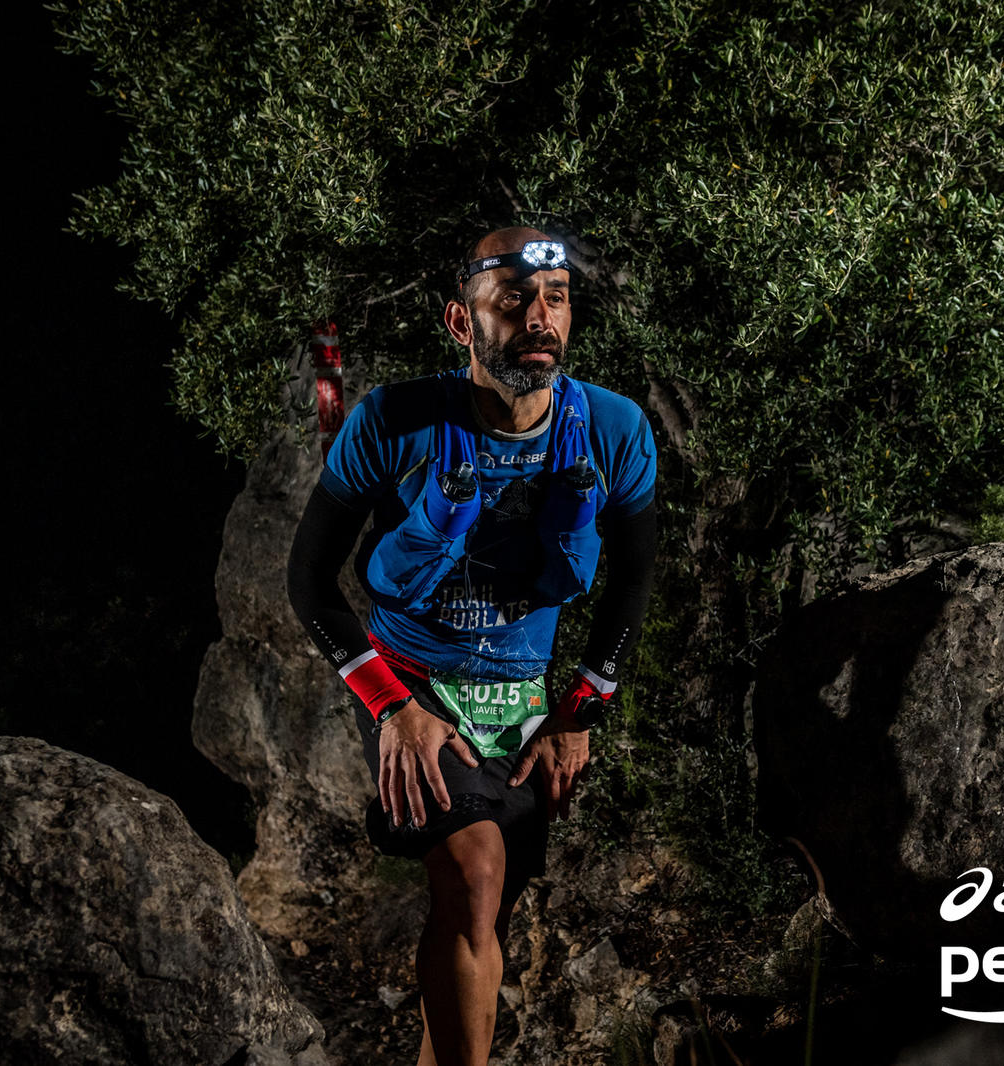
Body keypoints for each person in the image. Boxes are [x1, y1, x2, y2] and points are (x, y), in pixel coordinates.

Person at [287, 226, 657, 1066]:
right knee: (475, 875)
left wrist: (580, 710)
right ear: (463, 321)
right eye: (513, 301)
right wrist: (392, 708)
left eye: (555, 299)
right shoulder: (394, 421)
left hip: (524, 698)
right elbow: (308, 581)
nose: (539, 318)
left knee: (485, 912)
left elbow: (632, 581)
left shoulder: (613, 428)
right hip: (414, 691)